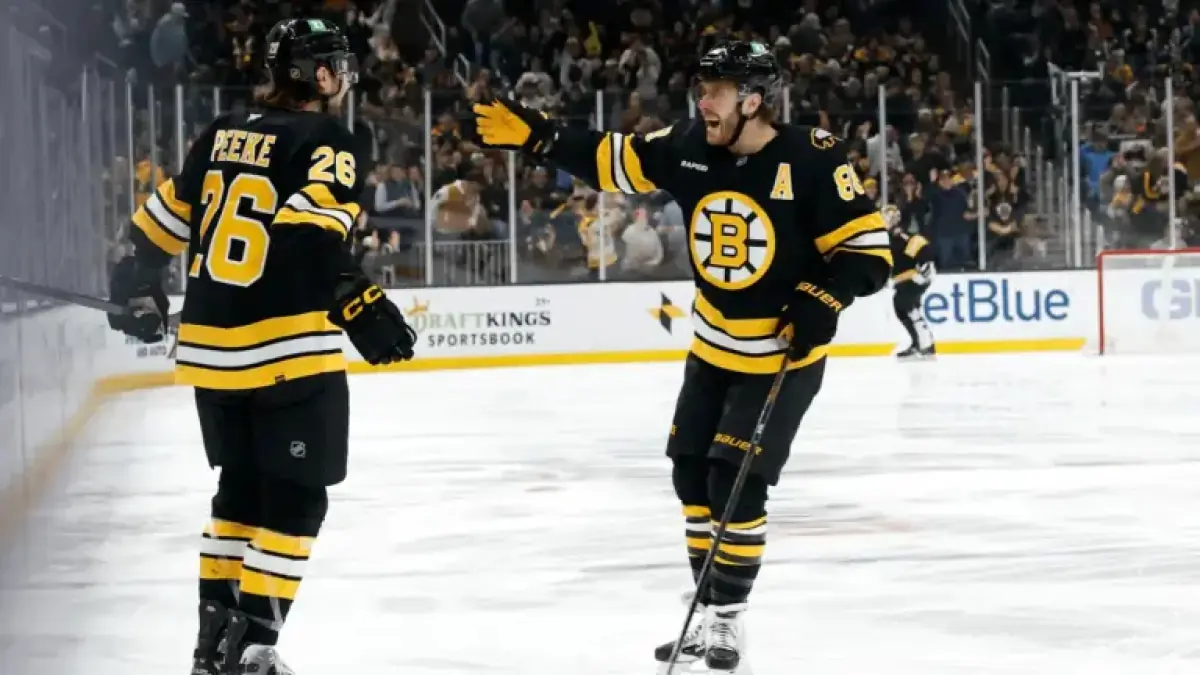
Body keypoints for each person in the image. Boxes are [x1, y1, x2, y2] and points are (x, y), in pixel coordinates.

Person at [472, 41, 891, 673]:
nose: (703, 101)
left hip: (778, 359)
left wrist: (823, 295)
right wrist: (539, 136)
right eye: (701, 89)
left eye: (716, 90)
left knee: (734, 483)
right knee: (691, 479)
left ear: (753, 100)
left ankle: (726, 621)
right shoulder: (689, 145)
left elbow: (869, 254)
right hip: (711, 350)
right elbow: (611, 159)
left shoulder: (812, 157)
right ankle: (704, 615)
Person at [105, 18, 417, 675]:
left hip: (210, 354)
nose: (343, 74)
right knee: (297, 500)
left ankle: (211, 652)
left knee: (238, 496)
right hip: (286, 352)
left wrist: (135, 285)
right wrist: (359, 303)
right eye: (334, 63)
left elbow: (159, 224)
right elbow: (307, 241)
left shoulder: (223, 130)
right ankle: (249, 651)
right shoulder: (328, 140)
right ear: (316, 74)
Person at [885, 205, 937, 359]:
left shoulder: (899, 237)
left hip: (920, 274)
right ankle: (920, 344)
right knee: (902, 306)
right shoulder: (893, 236)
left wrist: (894, 280)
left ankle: (925, 346)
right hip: (916, 275)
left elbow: (915, 266)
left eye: (886, 218)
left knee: (906, 305)